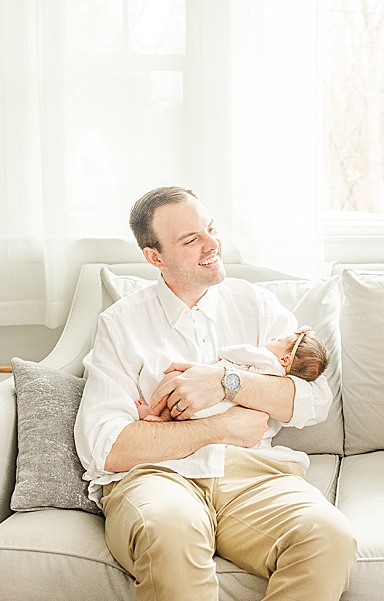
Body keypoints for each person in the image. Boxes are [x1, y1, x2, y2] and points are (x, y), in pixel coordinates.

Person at [75, 187, 356, 601]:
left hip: (254, 478)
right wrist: (221, 425)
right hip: (159, 477)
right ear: (155, 257)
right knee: (167, 532)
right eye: (191, 240)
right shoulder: (121, 324)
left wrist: (226, 380)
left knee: (328, 537)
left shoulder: (255, 305)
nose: (212, 245)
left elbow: (314, 401)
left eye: (210, 229)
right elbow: (106, 448)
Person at [135, 327, 330, 427]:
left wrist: (225, 355)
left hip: (209, 407)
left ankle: (155, 411)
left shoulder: (266, 357)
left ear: (286, 358)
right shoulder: (280, 376)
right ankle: (163, 419)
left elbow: (242, 352)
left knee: (176, 378)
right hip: (222, 413)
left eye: (278, 339)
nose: (273, 338)